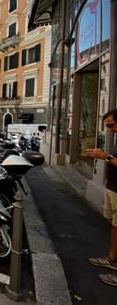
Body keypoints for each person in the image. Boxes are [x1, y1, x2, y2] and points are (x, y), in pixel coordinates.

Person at [86, 108, 117, 287]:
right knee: (114, 225)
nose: (110, 129)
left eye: (112, 124)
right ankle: (112, 259)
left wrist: (105, 156)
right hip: (113, 188)